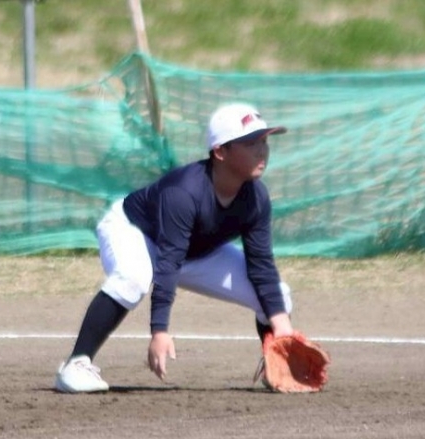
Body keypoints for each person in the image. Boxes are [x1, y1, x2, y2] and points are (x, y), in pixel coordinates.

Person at [54, 102, 295, 393]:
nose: (262, 150)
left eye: (264, 141)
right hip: (135, 233)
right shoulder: (184, 191)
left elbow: (261, 265)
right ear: (220, 152)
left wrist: (282, 328)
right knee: (133, 278)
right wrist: (159, 331)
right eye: (250, 143)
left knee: (278, 298)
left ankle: (275, 367)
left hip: (194, 252)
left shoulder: (256, 197)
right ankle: (76, 365)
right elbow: (168, 262)